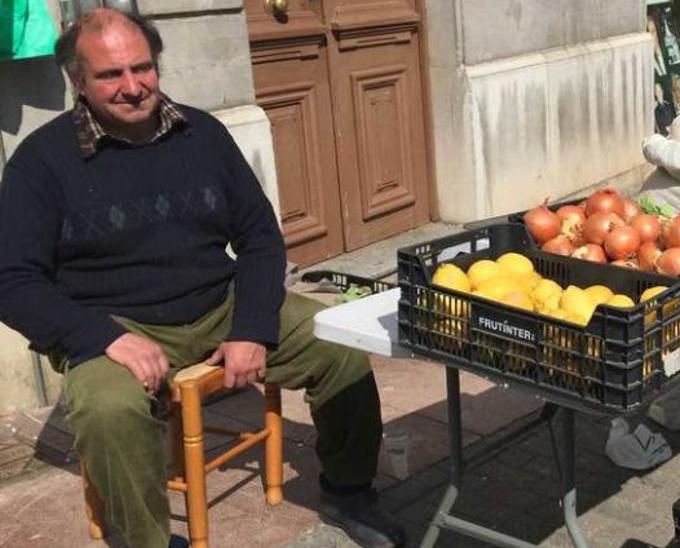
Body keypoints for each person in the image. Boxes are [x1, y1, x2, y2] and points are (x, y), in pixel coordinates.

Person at [0, 9, 404, 548]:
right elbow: (12, 280)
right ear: (78, 80)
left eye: (143, 68)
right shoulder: (41, 162)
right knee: (108, 410)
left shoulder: (203, 134)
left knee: (341, 345)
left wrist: (252, 327)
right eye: (111, 75)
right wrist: (103, 339)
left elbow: (260, 236)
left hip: (219, 301)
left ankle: (350, 492)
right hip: (115, 323)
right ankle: (145, 541)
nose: (133, 87)